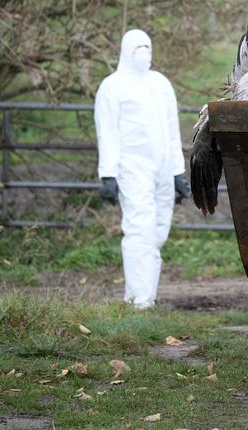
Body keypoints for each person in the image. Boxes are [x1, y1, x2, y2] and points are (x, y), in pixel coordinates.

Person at [94, 29, 189, 309]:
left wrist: (177, 172)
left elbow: (172, 131)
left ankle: (148, 294)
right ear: (125, 50)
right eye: (137, 47)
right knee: (139, 230)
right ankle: (138, 300)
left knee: (158, 232)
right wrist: (108, 173)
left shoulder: (160, 84)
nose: (143, 52)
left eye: (147, 46)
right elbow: (107, 132)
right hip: (132, 168)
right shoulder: (112, 87)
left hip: (162, 169)